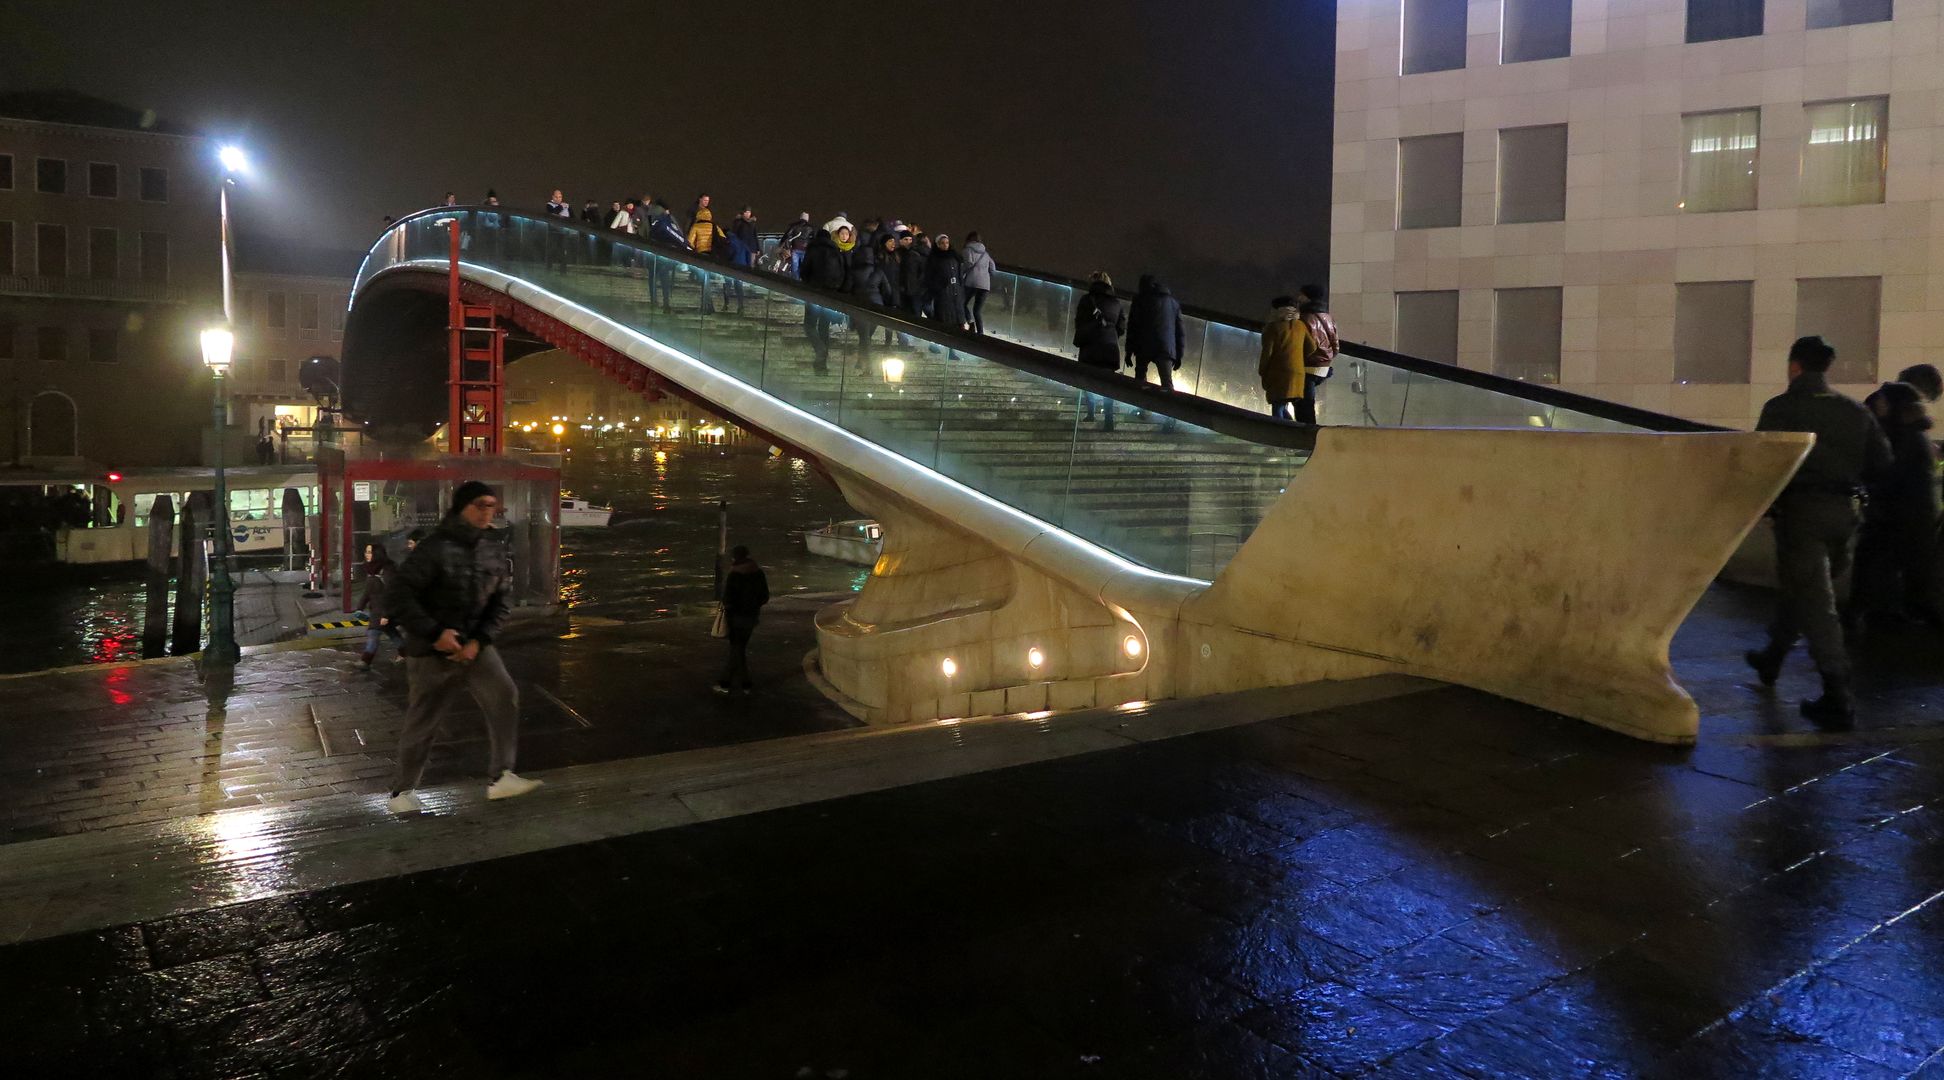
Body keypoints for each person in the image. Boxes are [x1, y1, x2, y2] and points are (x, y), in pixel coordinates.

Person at [1746, 335, 1894, 725]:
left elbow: (1760, 463)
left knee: (1815, 601)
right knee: (1807, 588)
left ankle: (1837, 690)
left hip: (1802, 513)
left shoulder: (1780, 408)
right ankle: (1772, 658)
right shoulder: (1853, 411)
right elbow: (1882, 462)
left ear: (1795, 366)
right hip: (1846, 514)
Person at [385, 481, 542, 812]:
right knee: (425, 717)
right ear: (461, 507)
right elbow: (398, 595)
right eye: (481, 505)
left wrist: (479, 641)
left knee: (504, 695)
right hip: (432, 649)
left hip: (475, 645)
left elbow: (500, 602)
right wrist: (435, 633)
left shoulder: (493, 548)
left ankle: (501, 776)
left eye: (492, 506)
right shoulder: (433, 548)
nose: (488, 512)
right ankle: (403, 792)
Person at [1850, 380, 1942, 628]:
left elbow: (1887, 474)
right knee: (1904, 574)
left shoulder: (1905, 439)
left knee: (1873, 564)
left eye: (1883, 403)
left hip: (1898, 519)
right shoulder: (1914, 435)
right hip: (1906, 519)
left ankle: (1868, 616)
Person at [1073, 271, 1128, 429]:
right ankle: (1108, 421)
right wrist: (1110, 334)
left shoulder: (1087, 299)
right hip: (1110, 347)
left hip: (1090, 346)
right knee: (1107, 383)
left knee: (1088, 379)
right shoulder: (1116, 303)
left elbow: (1079, 322)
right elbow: (1121, 328)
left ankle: (1091, 414)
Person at [713, 545, 770, 695]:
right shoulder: (758, 573)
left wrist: (732, 608)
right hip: (751, 617)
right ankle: (739, 683)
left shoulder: (734, 575)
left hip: (736, 618)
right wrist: (753, 605)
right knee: (739, 650)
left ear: (735, 558)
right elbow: (765, 597)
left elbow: (728, 599)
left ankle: (735, 683)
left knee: (736, 650)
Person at [801, 226, 848, 373]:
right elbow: (842, 273)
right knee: (824, 327)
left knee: (809, 325)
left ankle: (820, 349)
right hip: (829, 295)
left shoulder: (812, 250)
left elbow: (804, 271)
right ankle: (822, 365)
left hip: (814, 292)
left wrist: (808, 284)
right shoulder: (836, 251)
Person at [1126, 274, 1184, 394]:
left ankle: (1141, 407)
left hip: (1143, 346)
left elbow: (1133, 327)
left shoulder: (1139, 300)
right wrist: (1179, 355)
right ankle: (1168, 409)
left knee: (1140, 381)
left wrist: (1129, 351)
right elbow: (1180, 332)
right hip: (1165, 347)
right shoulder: (1173, 303)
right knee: (1167, 383)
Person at [1258, 295, 1312, 423]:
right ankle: (1292, 431)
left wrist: (1262, 370)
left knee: (1277, 406)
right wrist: (1296, 356)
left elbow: (1267, 353)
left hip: (1279, 373)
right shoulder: (1301, 326)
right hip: (1298, 373)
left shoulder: (1272, 328)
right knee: (1282, 406)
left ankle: (1278, 435)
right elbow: (1312, 347)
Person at [1297, 285, 1340, 426]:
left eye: (1301, 295)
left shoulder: (1303, 318)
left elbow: (1304, 346)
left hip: (1308, 366)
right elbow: (1336, 347)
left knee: (1304, 405)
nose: (1298, 298)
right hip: (1324, 367)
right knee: (1308, 402)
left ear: (1308, 297)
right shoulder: (1328, 317)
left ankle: (1307, 437)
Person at [358, 542, 400, 668]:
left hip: (384, 610)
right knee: (392, 633)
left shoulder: (387, 570)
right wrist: (359, 608)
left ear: (377, 554)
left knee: (373, 633)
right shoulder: (370, 569)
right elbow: (367, 592)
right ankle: (405, 653)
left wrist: (386, 614)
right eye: (366, 552)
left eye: (370, 552)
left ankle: (365, 661)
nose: (367, 555)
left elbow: (391, 592)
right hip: (376, 610)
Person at [926, 233, 968, 332]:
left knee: (958, 320)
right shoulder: (934, 258)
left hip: (956, 293)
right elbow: (929, 276)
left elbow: (959, 274)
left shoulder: (954, 257)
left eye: (947, 243)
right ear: (937, 244)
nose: (945, 245)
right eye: (942, 243)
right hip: (943, 294)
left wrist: (960, 287)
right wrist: (939, 286)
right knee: (945, 321)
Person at [961, 232, 996, 334]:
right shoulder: (985, 253)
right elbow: (993, 269)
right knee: (977, 310)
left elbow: (968, 264)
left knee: (962, 303)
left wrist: (961, 273)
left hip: (971, 282)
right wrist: (986, 277)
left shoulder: (967, 250)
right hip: (985, 285)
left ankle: (970, 323)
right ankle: (980, 333)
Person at [780, 211, 816, 277]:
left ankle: (795, 281)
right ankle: (803, 280)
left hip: (795, 248)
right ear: (807, 219)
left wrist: (787, 247)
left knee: (795, 266)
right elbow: (814, 238)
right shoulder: (811, 228)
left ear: (800, 217)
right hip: (805, 249)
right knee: (804, 266)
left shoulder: (794, 226)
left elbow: (786, 236)